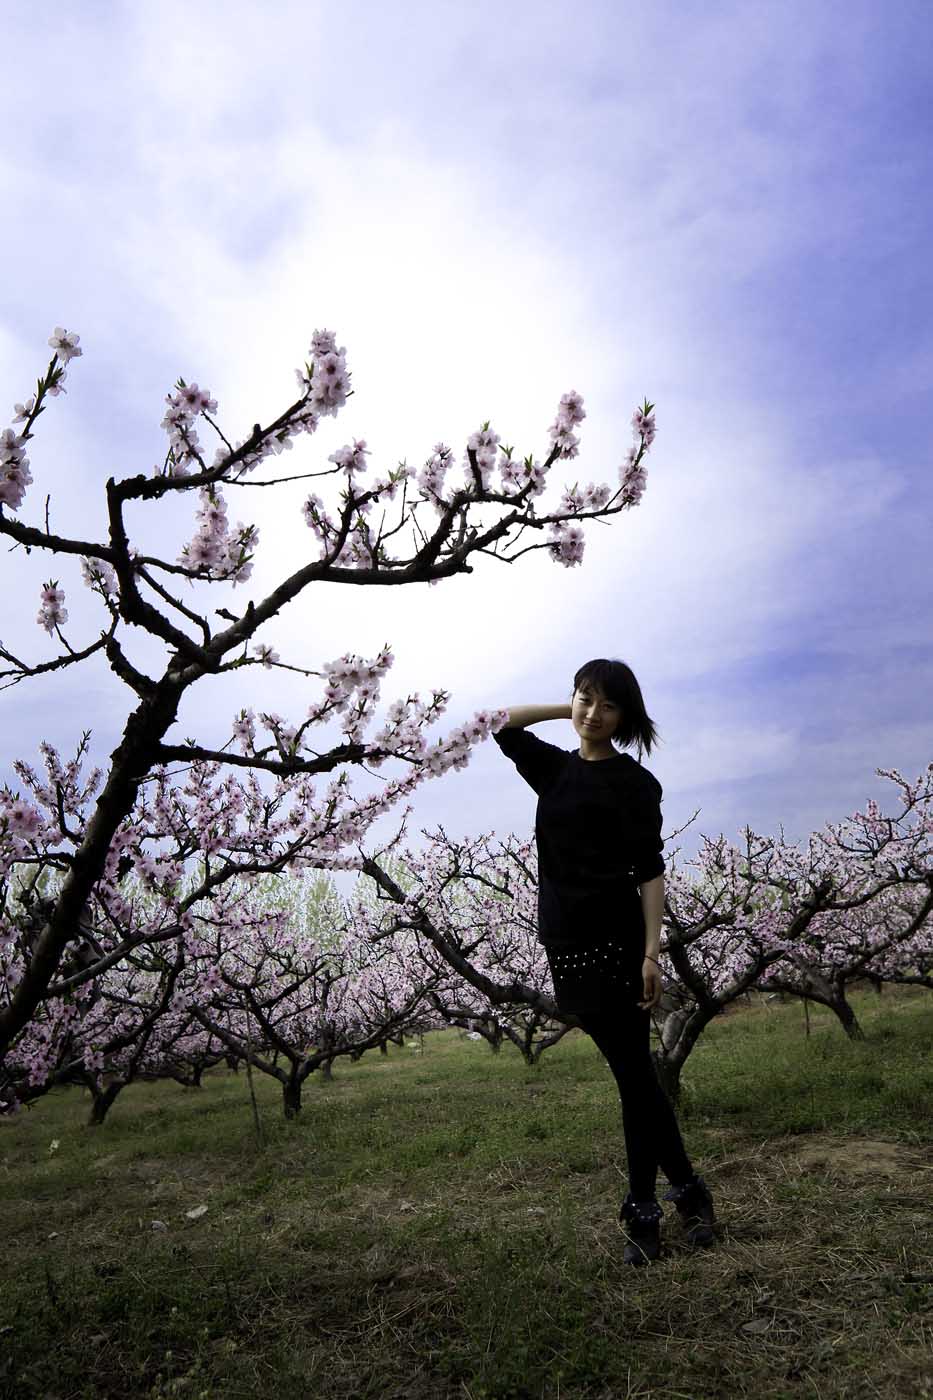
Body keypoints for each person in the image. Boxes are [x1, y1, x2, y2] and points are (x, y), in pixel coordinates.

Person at [492, 657, 716, 1266]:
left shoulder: (638, 785)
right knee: (636, 1078)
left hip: (619, 944)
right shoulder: (553, 770)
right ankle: (692, 1194)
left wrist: (652, 952)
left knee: (633, 1078)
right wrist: (566, 707)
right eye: (584, 699)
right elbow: (497, 722)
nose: (592, 714)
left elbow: (649, 871)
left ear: (627, 715)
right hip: (565, 943)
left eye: (607, 705)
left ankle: (645, 1209)